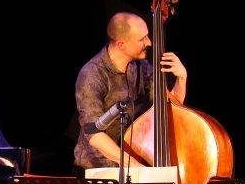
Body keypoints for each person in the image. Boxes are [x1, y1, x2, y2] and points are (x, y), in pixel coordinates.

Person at [73, 11, 188, 171]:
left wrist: (182, 78)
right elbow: (94, 134)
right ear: (122, 44)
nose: (149, 42)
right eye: (142, 39)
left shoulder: (142, 67)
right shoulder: (92, 74)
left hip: (133, 167)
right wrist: (135, 166)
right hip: (96, 169)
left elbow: (169, 108)